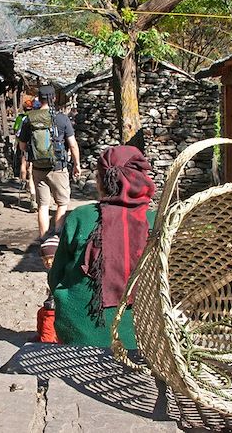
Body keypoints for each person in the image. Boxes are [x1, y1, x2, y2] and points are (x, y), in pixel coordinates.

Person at [48, 145, 156, 348]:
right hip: (144, 340)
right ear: (141, 180)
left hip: (78, 335)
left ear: (101, 181)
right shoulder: (156, 223)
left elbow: (55, 277)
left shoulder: (81, 216)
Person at [18, 85, 81, 238]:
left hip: (38, 168)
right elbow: (72, 144)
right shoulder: (61, 118)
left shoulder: (29, 119)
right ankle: (57, 234)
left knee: (43, 206)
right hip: (58, 167)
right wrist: (77, 165)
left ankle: (43, 238)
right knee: (62, 202)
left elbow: (22, 145)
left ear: (39, 99)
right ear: (54, 98)